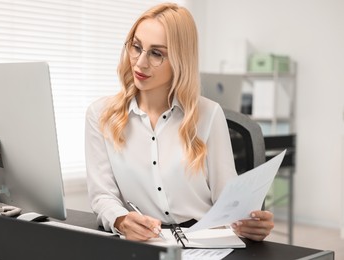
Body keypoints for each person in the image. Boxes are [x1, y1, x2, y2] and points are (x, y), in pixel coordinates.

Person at [85, 2, 274, 242]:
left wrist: (249, 221)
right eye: (136, 47)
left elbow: (229, 199)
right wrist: (121, 221)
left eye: (156, 53)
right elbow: (102, 196)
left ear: (180, 59)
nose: (140, 63)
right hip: (143, 243)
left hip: (206, 242)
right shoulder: (100, 115)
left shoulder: (209, 114)